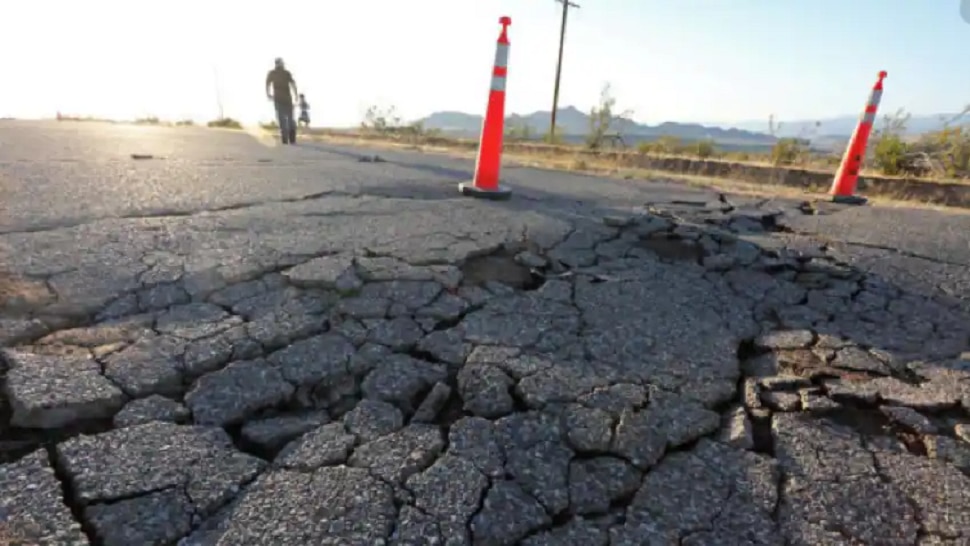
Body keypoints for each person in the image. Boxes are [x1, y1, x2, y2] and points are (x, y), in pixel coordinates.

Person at [265, 57, 299, 144]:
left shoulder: (282, 73)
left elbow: (292, 84)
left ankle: (288, 138)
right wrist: (296, 95)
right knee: (285, 119)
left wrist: (296, 95)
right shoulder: (278, 73)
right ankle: (287, 138)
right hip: (282, 99)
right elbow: (268, 84)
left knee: (286, 119)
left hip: (284, 99)